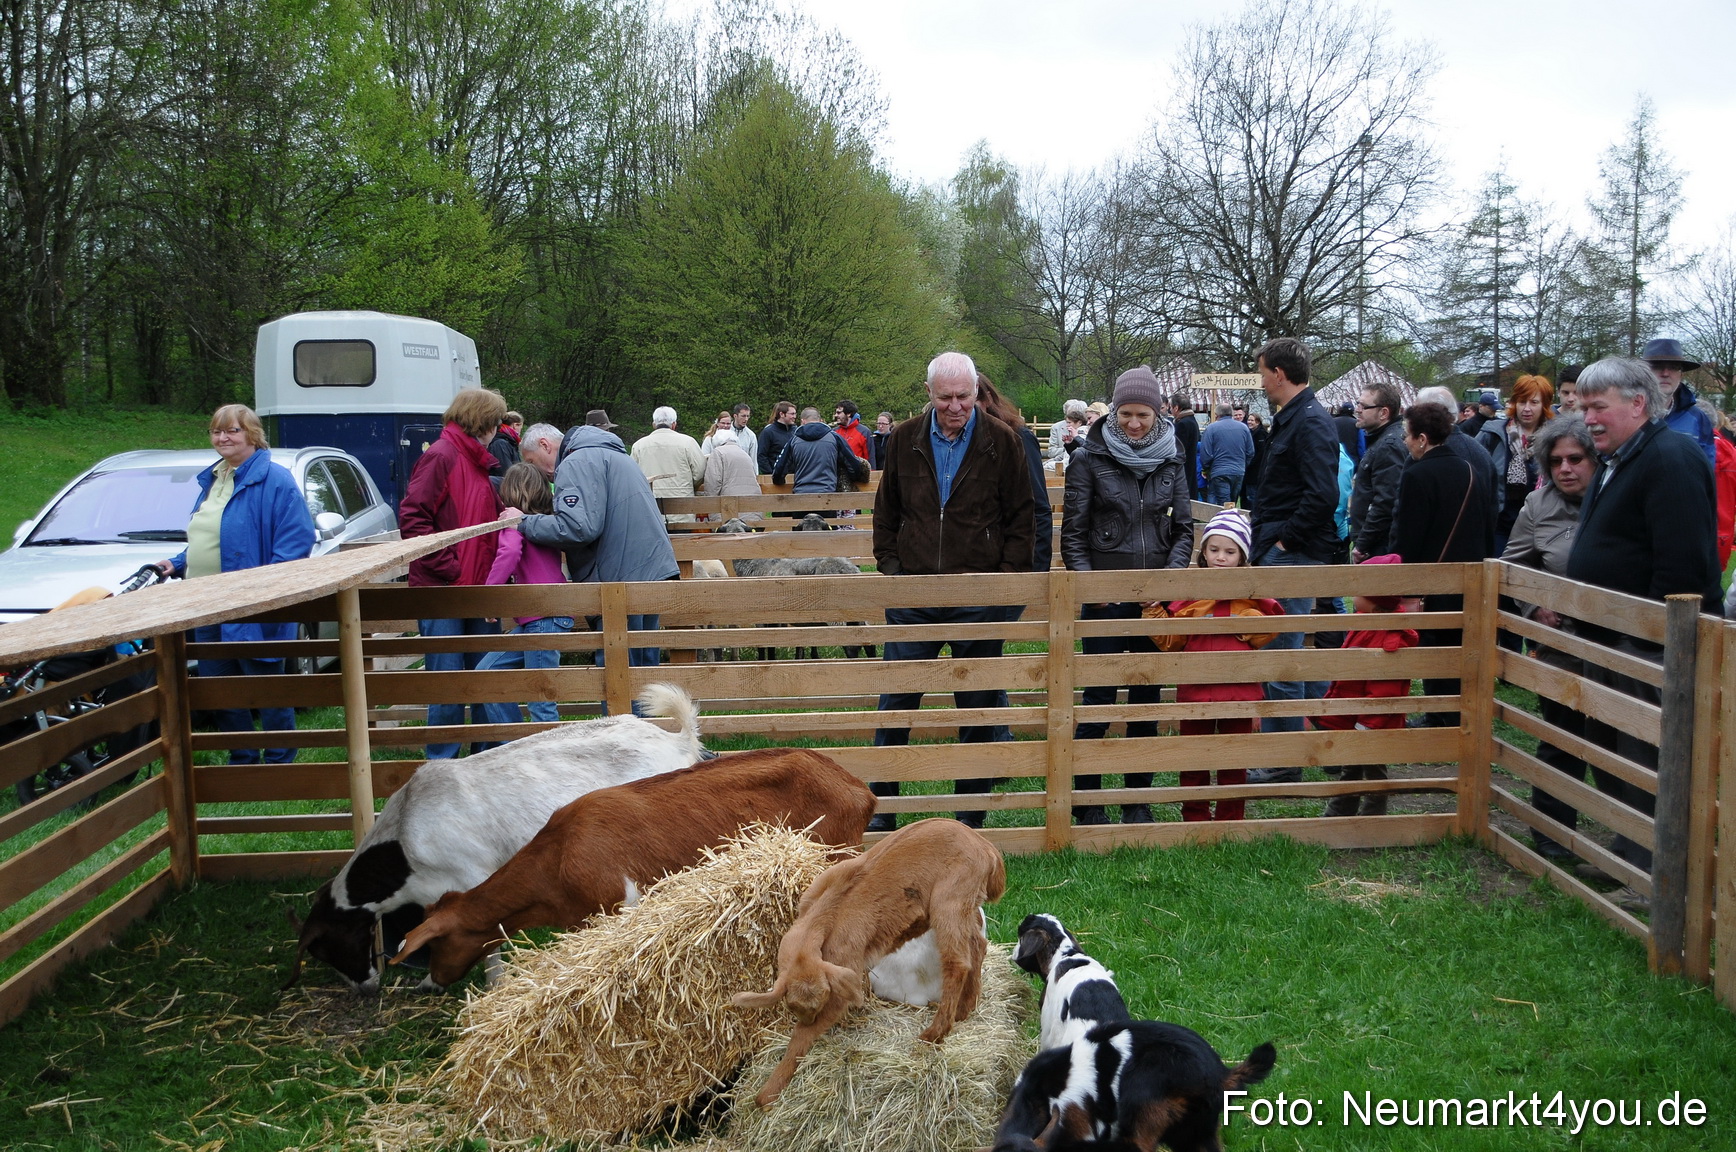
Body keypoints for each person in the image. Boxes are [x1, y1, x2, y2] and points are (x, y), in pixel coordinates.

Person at [1565, 357, 1722, 885]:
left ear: (1638, 404)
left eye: (1597, 407)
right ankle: (1629, 851)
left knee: (1646, 756)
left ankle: (1654, 870)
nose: (1588, 418)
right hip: (1611, 638)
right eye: (1584, 407)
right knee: (1613, 750)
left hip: (1647, 646)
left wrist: (1647, 643)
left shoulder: (1669, 458)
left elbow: (1683, 565)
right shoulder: (1620, 458)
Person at [870, 351, 1035, 831]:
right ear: (929, 393)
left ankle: (970, 815)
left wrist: (1001, 584)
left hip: (977, 597)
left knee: (977, 708)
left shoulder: (1002, 441)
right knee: (896, 702)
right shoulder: (903, 439)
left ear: (976, 392)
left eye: (964, 396)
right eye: (946, 397)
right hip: (914, 596)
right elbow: (886, 510)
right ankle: (883, 810)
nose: (956, 406)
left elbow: (1021, 518)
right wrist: (894, 569)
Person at [1060, 366, 1194, 824]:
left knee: (1145, 700)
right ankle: (1088, 801)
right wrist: (1091, 587)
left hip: (1153, 602)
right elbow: (1073, 533)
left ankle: (1137, 799)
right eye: (1126, 414)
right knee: (1098, 698)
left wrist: (1167, 584)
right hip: (1105, 599)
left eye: (1143, 414)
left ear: (1158, 414)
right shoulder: (1088, 458)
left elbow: (1183, 529)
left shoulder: (1172, 458)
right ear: (1114, 412)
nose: (1134, 423)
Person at [156, 404, 315, 765]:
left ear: (252, 435)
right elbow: (212, 535)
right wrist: (178, 562)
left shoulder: (275, 480)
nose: (223, 438)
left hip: (252, 605)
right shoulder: (215, 478)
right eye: (216, 431)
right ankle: (242, 760)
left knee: (265, 688)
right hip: (206, 604)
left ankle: (279, 764)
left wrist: (263, 588)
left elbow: (296, 541)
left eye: (232, 430)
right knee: (220, 688)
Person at [1501, 415, 1597, 863]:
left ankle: (1629, 842)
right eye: (1556, 461)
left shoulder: (1615, 498)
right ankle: (1552, 833)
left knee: (1621, 743)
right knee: (1561, 736)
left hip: (1619, 641)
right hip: (1562, 644)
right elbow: (1512, 565)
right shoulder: (1538, 505)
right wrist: (1534, 604)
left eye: (1576, 458)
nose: (1566, 469)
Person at [519, 416, 680, 675]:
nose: (534, 470)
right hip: (648, 570)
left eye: (530, 461)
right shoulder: (610, 454)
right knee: (644, 667)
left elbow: (578, 527)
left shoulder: (576, 462)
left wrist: (524, 522)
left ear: (544, 445)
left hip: (620, 580)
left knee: (618, 671)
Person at [1245, 338, 1338, 779]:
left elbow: (1323, 494)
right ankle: (1332, 733)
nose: (1261, 382)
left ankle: (1283, 762)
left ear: (1279, 374)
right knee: (1286, 650)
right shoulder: (1294, 419)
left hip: (1292, 554)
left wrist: (1283, 543)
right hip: (1281, 549)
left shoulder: (1312, 422)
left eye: (1263, 373)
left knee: (1282, 657)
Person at [399, 387, 508, 758]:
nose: (498, 429)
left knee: (484, 677)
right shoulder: (442, 455)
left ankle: (484, 760)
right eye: (495, 422)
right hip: (444, 588)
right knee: (446, 682)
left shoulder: (475, 460)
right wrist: (451, 568)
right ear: (482, 422)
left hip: (477, 588)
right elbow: (414, 519)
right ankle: (442, 763)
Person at [1152, 509, 1281, 822]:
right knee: (1194, 758)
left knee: (1233, 759)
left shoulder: (1252, 598)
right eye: (1214, 549)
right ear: (1203, 552)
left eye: (1230, 552)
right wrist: (1153, 612)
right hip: (1196, 692)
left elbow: (1269, 629)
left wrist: (1247, 622)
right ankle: (1194, 817)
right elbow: (1172, 641)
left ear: (1242, 557)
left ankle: (1230, 819)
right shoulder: (1192, 596)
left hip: (1238, 693)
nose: (1221, 557)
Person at [1310, 554, 1418, 816]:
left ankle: (1372, 815)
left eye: (1358, 590)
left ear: (1375, 599)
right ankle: (1341, 810)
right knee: (1352, 764)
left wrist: (1368, 723)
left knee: (1373, 768)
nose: (1353, 594)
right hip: (1357, 712)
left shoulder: (1388, 636)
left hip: (1372, 721)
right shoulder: (1368, 621)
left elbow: (1385, 688)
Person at [477, 463, 572, 727]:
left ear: (510, 492)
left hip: (541, 617)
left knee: (540, 700)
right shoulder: (546, 522)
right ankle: (515, 742)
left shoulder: (515, 522)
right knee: (487, 672)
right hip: (544, 617)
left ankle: (546, 752)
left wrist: (488, 597)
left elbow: (509, 552)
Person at [1393, 402, 1493, 568]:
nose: (1405, 441)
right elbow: (1486, 527)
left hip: (1431, 573)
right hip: (1470, 572)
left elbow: (1409, 537)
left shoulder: (1416, 475)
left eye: (1407, 435)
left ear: (1422, 439)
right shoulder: (1470, 470)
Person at [1476, 374, 1555, 554]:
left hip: (1540, 527)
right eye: (1522, 402)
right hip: (1500, 526)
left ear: (1544, 405)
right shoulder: (1493, 435)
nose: (1527, 408)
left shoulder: (1555, 438)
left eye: (1534, 402)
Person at [1348, 379, 1406, 564]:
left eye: (1363, 406)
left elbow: (1385, 501)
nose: (1357, 410)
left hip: (1378, 547)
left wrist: (1363, 544)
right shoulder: (1382, 441)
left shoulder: (1389, 445)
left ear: (1384, 413)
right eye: (1357, 404)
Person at [1641, 337, 1716, 467]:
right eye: (1657, 366)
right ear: (1643, 373)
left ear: (1681, 375)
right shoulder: (1625, 413)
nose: (1665, 373)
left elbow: (1706, 468)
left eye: (1674, 367)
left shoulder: (1698, 418)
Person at [772, 407, 869, 504]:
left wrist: (779, 481)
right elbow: (853, 464)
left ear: (803, 421)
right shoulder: (834, 438)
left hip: (801, 494)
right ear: (820, 420)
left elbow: (780, 468)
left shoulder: (793, 441)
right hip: (828, 494)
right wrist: (853, 478)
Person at [631, 406, 706, 523]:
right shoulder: (688, 442)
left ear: (654, 424)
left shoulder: (638, 446)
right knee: (682, 534)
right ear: (674, 424)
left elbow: (633, 476)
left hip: (650, 509)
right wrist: (690, 485)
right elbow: (700, 472)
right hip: (682, 509)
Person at [1198, 403, 1254, 506]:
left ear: (1217, 415)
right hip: (1239, 471)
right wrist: (1243, 465)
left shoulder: (1211, 428)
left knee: (1224, 503)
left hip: (1219, 471)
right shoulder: (1244, 428)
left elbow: (1205, 453)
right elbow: (1250, 452)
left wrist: (1207, 469)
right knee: (1233, 501)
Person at [701, 432, 762, 522]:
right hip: (753, 509)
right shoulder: (744, 453)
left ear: (717, 443)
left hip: (729, 511)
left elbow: (713, 483)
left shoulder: (718, 452)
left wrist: (710, 505)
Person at [1170, 391, 1200, 497]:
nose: (1170, 410)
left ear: (1176, 408)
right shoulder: (1192, 420)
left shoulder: (1182, 424)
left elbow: (1178, 449)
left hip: (1183, 469)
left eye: (1171, 407)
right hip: (1190, 465)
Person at [1045, 399, 1089, 468]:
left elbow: (1076, 457)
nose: (1067, 425)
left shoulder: (1084, 432)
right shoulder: (1057, 427)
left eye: (1070, 421)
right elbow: (1052, 452)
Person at [758, 401, 799, 473]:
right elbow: (762, 456)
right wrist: (771, 474)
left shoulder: (796, 431)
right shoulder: (768, 432)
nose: (794, 417)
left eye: (795, 414)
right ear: (782, 414)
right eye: (792, 414)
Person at [488, 410, 524, 475]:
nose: (520, 432)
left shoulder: (507, 442)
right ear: (516, 425)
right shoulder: (500, 444)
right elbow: (506, 473)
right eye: (521, 428)